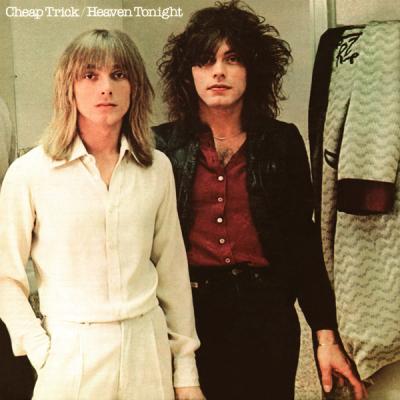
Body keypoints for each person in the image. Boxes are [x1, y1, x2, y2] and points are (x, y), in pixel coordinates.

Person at [154, 1, 367, 399]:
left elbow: (303, 245)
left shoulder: (281, 141)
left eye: (232, 59)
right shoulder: (162, 146)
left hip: (267, 316)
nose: (218, 71)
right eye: (205, 60)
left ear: (253, 69)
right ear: (188, 73)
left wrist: (325, 336)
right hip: (188, 317)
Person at [0, 29, 204, 400]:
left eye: (118, 75)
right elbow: (5, 277)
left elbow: (172, 270)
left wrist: (186, 368)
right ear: (68, 87)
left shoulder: (156, 167)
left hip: (146, 348)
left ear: (135, 88)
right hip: (71, 350)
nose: (106, 88)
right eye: (90, 75)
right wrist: (41, 350)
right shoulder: (31, 173)